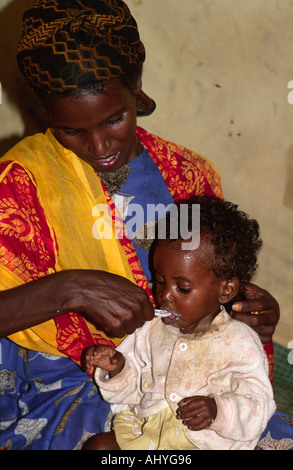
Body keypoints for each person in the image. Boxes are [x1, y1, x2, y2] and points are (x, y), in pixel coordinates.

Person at [0, 0, 282, 450]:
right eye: (70, 130)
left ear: (137, 88)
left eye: (115, 119)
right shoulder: (22, 184)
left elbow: (210, 296)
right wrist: (69, 290)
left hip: (191, 388)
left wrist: (251, 317)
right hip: (80, 379)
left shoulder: (187, 176)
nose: (98, 146)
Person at [82, 196, 276, 450]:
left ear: (226, 290)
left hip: (201, 443)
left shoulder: (240, 340)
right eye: (160, 281)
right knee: (99, 447)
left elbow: (259, 404)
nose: (164, 296)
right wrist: (118, 369)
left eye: (182, 288)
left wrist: (218, 410)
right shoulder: (151, 329)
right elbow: (132, 394)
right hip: (147, 435)